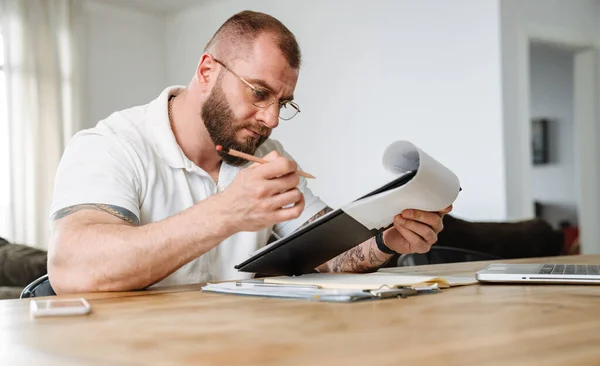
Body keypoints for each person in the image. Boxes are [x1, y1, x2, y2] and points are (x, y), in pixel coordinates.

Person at [47, 10, 452, 294]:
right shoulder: (112, 145)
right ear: (207, 71)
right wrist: (228, 211)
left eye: (283, 102)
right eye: (259, 93)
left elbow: (329, 254)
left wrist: (388, 241)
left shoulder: (262, 151)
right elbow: (73, 269)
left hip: (240, 351)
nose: (271, 119)